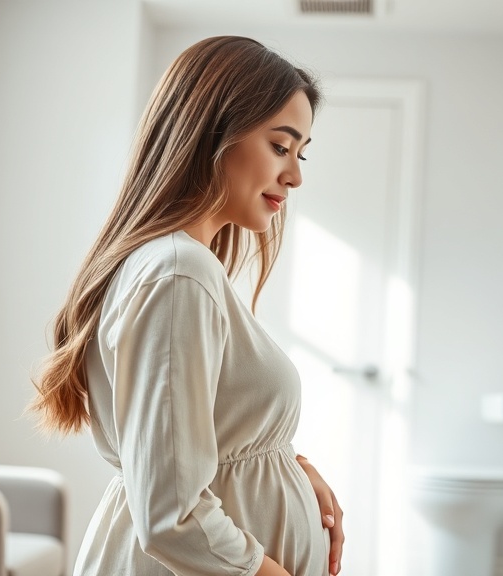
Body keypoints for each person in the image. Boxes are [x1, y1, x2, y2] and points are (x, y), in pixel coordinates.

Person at [30, 35, 345, 576]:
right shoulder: (179, 272)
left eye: (301, 153)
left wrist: (290, 465)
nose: (295, 175)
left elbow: (195, 440)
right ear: (213, 133)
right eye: (280, 146)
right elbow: (171, 515)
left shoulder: (182, 266)